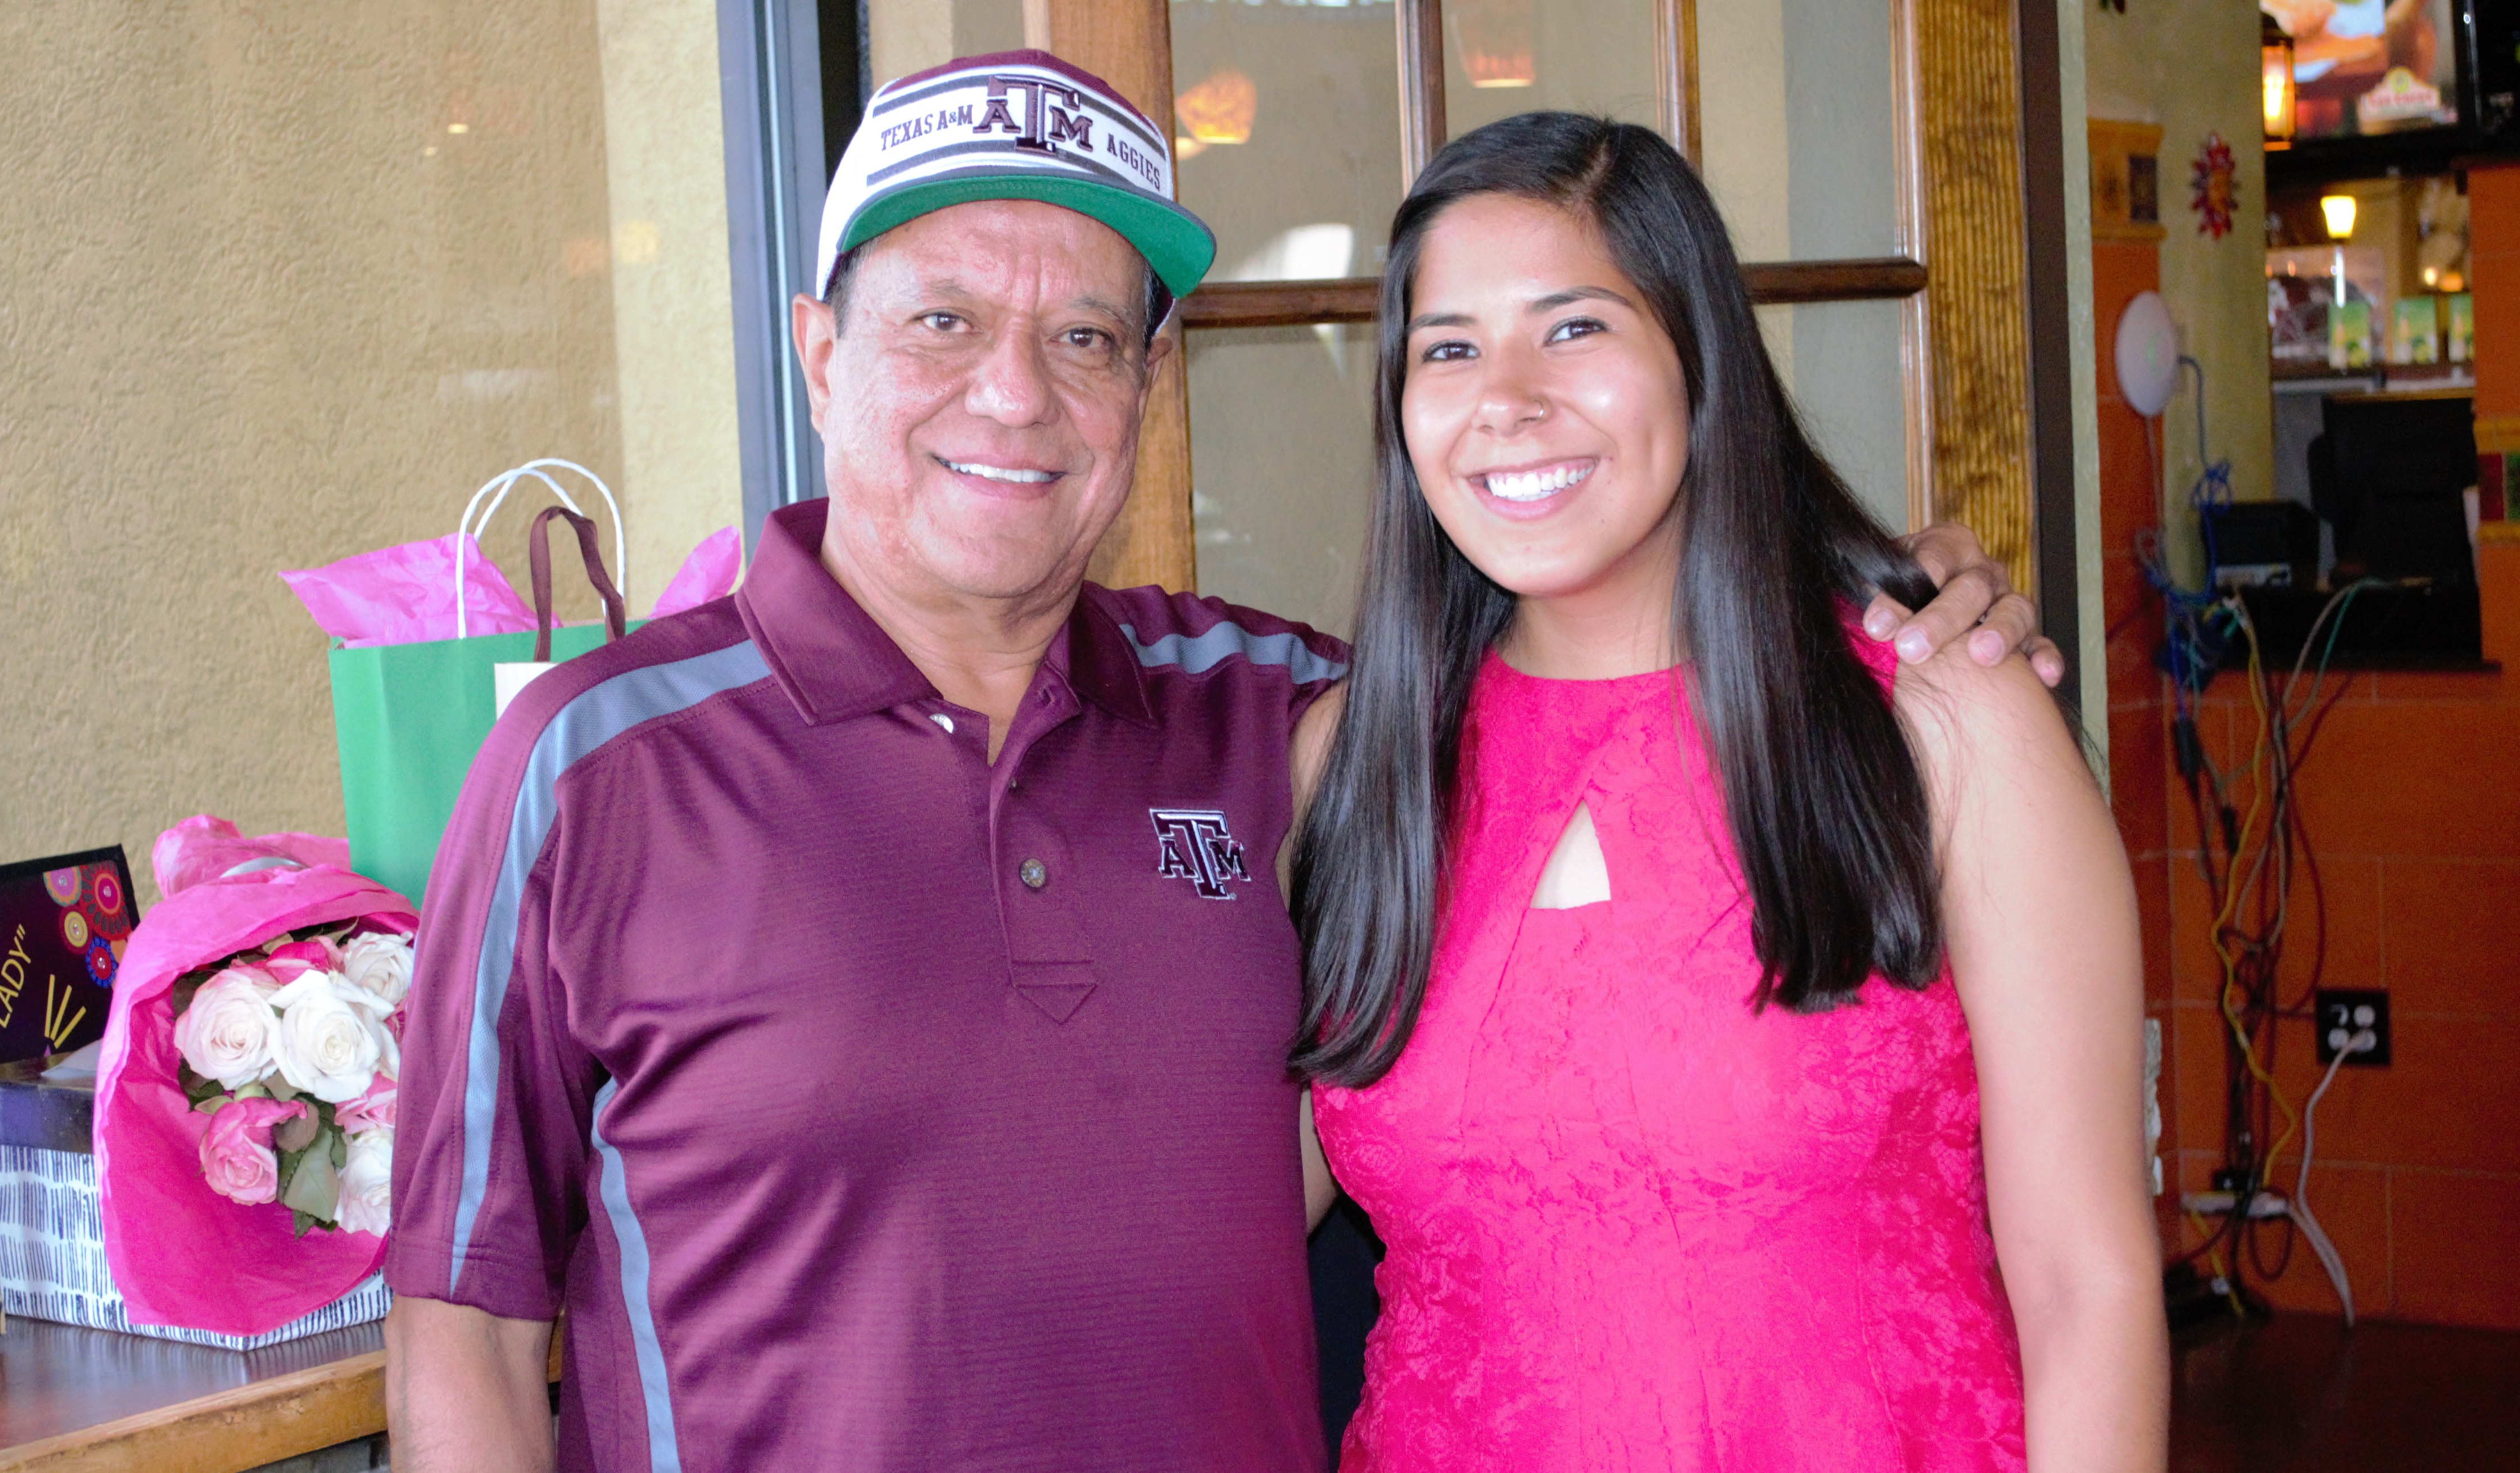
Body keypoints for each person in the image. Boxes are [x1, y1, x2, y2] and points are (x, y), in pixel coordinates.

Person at [382, 53, 2056, 1473]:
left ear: (1150, 383)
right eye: (943, 320)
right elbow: (463, 1322)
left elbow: (1602, 671)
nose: (1013, 395)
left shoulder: (1292, 725)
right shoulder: (592, 767)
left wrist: (1890, 607)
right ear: (822, 352)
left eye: (1086, 338)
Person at [1293, 115, 2166, 1470]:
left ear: (1700, 358)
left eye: (1574, 328)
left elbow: (2086, 1287)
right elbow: (1212, 1237)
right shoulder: (1349, 761)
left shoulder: (1942, 721)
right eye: (1448, 349)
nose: (1506, 398)